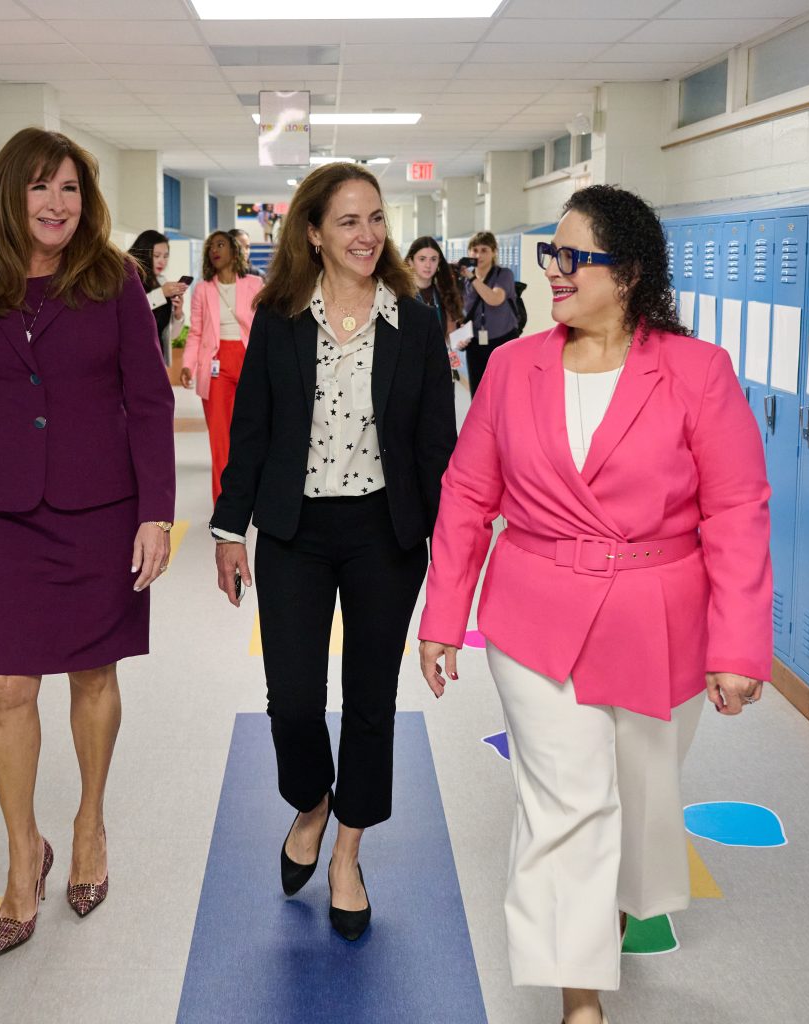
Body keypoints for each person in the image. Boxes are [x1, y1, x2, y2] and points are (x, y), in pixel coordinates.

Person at [417, 185, 771, 1023]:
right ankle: (581, 999)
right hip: (536, 614)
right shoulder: (513, 366)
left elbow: (736, 510)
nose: (554, 273)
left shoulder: (695, 372)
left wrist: (739, 645)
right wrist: (442, 620)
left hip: (659, 618)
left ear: (631, 273)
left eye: (574, 258)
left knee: (640, 791)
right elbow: (468, 496)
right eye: (552, 256)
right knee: (569, 797)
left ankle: (601, 922)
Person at [0, 127, 176, 959]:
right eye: (39, 188)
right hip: (6, 518)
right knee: (6, 690)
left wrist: (157, 513)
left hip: (100, 510)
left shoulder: (115, 281)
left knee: (93, 675)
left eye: (69, 188)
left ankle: (89, 823)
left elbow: (151, 400)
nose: (57, 204)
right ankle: (24, 851)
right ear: (9, 198)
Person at [211, 163, 456, 942]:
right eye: (348, 221)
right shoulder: (281, 316)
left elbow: (434, 448)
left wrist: (450, 556)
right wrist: (226, 530)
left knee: (373, 703)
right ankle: (311, 802)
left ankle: (348, 849)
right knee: (292, 700)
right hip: (295, 532)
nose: (368, 234)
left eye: (376, 218)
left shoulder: (413, 321)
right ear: (312, 232)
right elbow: (250, 432)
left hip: (386, 534)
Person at [181, 230, 264, 502]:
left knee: (253, 430)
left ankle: (254, 493)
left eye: (221, 244)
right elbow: (195, 332)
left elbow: (266, 326)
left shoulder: (254, 283)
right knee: (220, 437)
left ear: (234, 250)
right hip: (216, 363)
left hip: (249, 358)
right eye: (211, 247)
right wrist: (188, 365)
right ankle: (224, 500)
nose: (215, 250)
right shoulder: (203, 289)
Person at [455, 230, 520, 394]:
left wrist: (471, 278)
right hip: (476, 344)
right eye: (475, 250)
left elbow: (494, 299)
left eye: (484, 250)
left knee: (503, 392)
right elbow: (458, 313)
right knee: (478, 393)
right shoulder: (464, 281)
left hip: (503, 340)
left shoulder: (503, 274)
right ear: (469, 252)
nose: (479, 255)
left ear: (493, 252)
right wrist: (459, 335)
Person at [406, 236, 463, 379]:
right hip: (410, 370)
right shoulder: (400, 295)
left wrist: (458, 339)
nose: (428, 265)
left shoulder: (444, 293)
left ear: (439, 263)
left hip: (439, 369)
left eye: (433, 259)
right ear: (411, 262)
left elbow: (449, 334)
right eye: (422, 259)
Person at [128, 228, 187, 363]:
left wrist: (178, 314)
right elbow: (130, 311)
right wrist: (161, 294)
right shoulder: (129, 279)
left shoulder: (162, 281)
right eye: (157, 256)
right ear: (144, 253)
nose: (162, 261)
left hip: (157, 357)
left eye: (166, 256)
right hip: (134, 356)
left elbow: (170, 335)